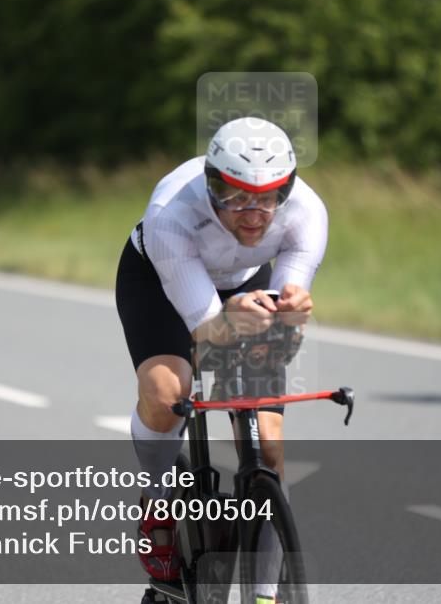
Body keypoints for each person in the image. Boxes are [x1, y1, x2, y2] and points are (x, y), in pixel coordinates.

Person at [115, 117, 328, 595]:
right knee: (167, 393)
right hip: (162, 280)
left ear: (286, 191)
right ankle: (159, 498)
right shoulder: (171, 212)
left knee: (269, 447)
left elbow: (283, 324)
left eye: (269, 197)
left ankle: (266, 593)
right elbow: (207, 330)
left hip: (245, 282)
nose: (253, 213)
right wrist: (227, 320)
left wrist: (291, 311)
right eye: (234, 196)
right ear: (211, 185)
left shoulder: (307, 213)